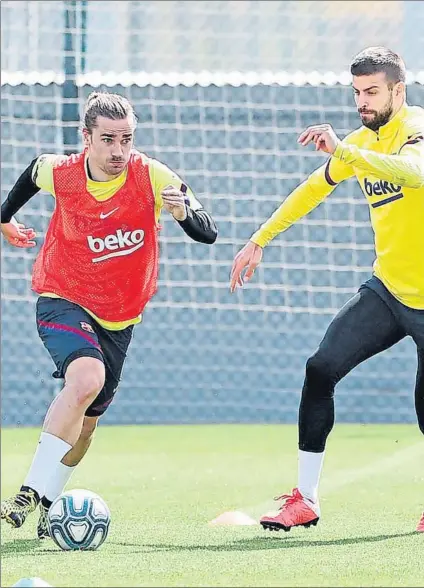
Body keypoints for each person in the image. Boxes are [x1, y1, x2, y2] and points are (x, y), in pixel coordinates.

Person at [1, 91, 217, 539]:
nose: (119, 151)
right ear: (87, 138)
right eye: (108, 139)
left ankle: (48, 506)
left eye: (127, 139)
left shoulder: (153, 175)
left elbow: (207, 233)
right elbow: (30, 174)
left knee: (88, 425)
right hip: (63, 296)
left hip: (120, 318)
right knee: (86, 380)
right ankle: (28, 493)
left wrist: (181, 213)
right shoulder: (61, 172)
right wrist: (3, 218)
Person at [230, 46, 424, 533]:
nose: (362, 100)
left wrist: (346, 151)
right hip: (390, 292)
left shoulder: (415, 128)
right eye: (357, 92)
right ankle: (306, 499)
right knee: (320, 369)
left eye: (372, 91)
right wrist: (259, 238)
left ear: (398, 91)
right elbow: (314, 188)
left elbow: (414, 172)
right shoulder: (358, 143)